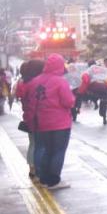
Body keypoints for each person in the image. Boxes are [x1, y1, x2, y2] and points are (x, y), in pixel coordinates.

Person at [24, 54, 77, 189]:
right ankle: (54, 180)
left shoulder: (35, 81)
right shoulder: (60, 81)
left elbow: (30, 103)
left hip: (41, 123)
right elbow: (68, 102)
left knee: (45, 150)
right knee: (58, 151)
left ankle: (44, 178)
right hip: (60, 124)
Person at [16, 59, 45, 181]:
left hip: (27, 114)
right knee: (40, 145)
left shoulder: (22, 82)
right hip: (38, 116)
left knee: (32, 143)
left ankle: (32, 169)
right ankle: (38, 170)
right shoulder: (36, 82)